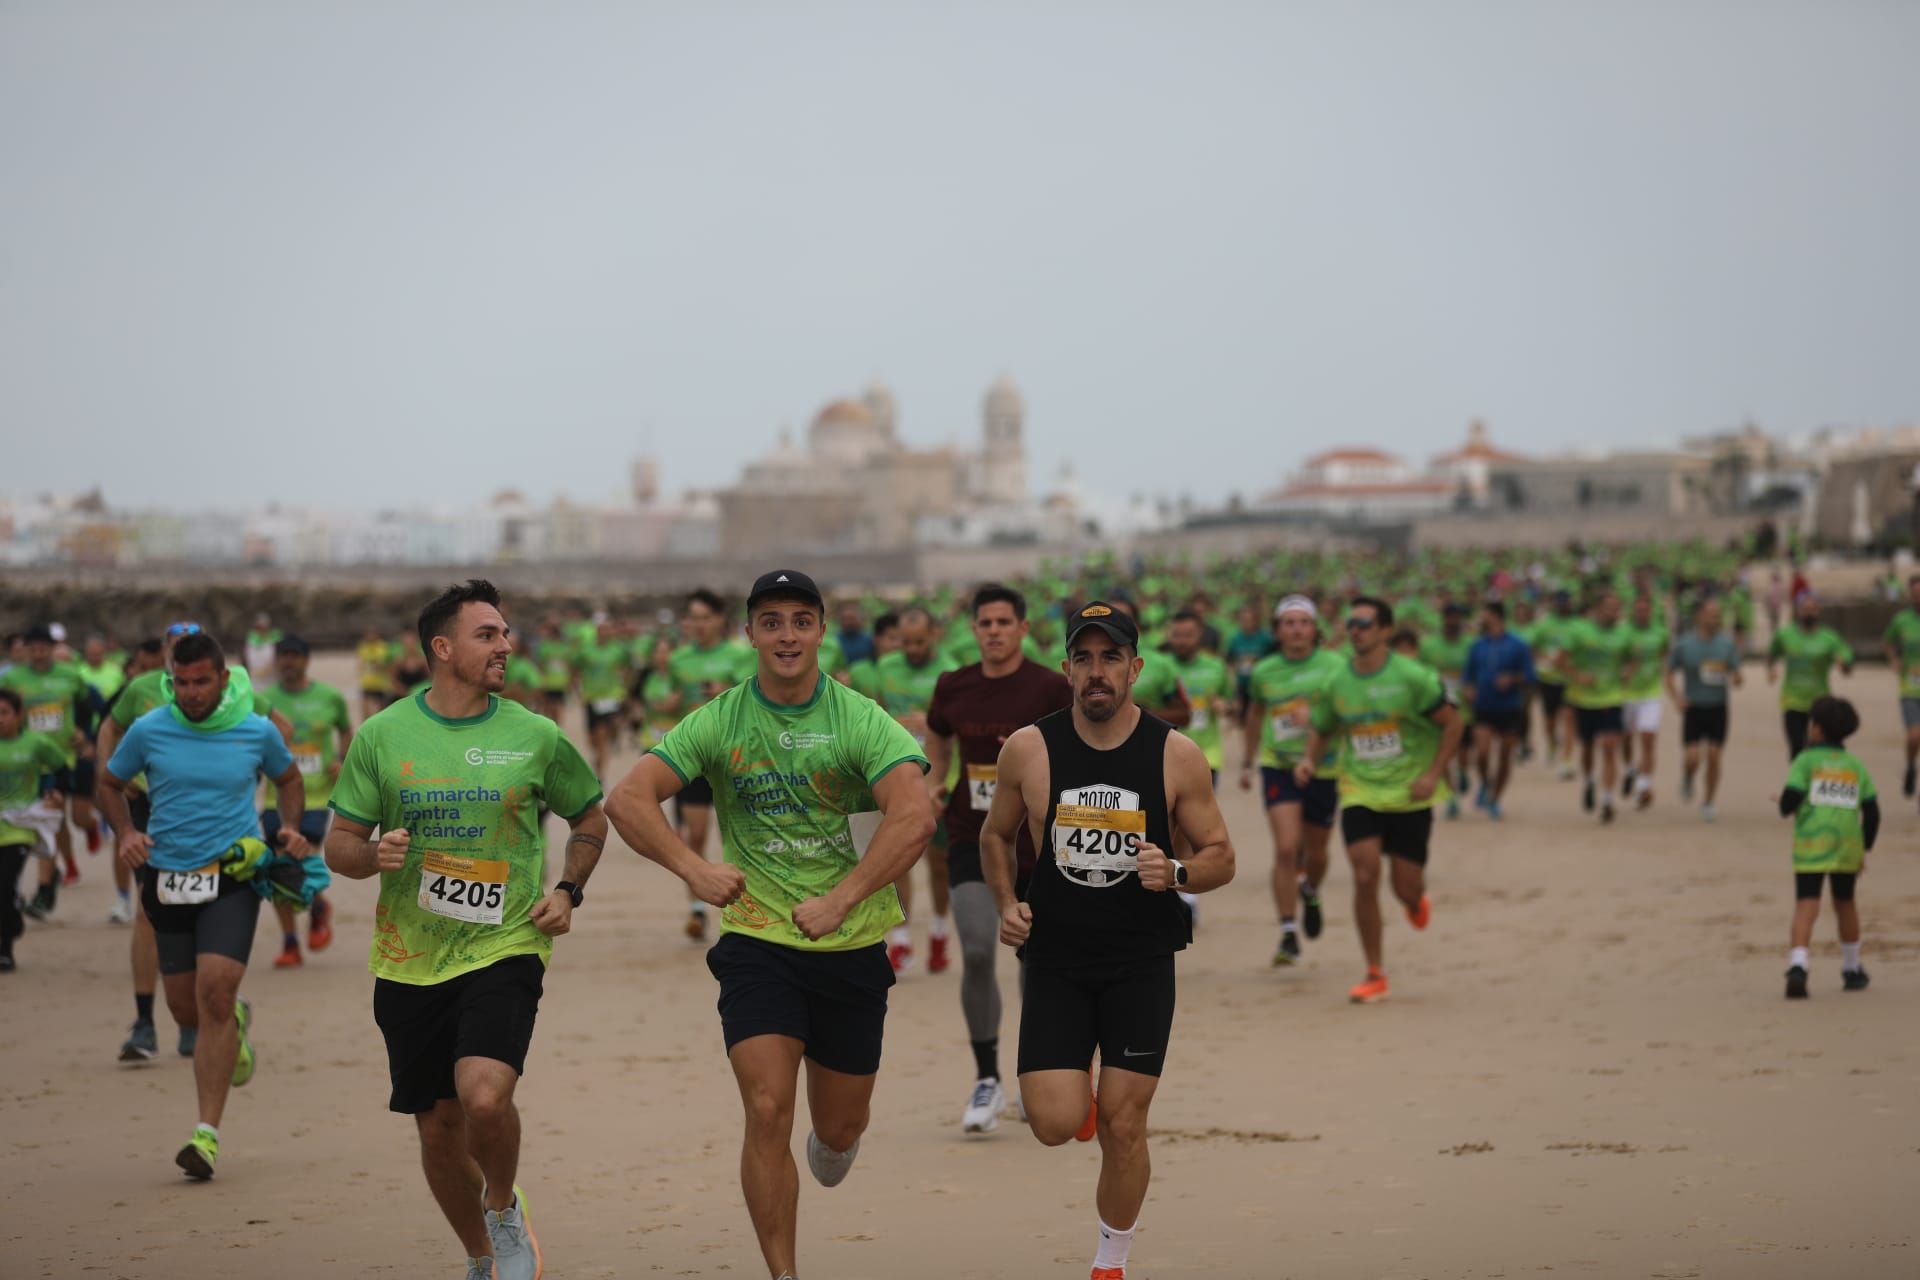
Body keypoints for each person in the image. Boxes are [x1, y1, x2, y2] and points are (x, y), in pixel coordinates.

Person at [605, 568, 933, 1280]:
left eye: (800, 621)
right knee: (765, 1106)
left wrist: (842, 900)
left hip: (849, 943)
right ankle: (783, 1273)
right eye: (771, 621)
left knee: (838, 1129)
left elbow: (915, 815)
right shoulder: (721, 719)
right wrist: (695, 872)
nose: (786, 635)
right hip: (757, 941)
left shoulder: (859, 718)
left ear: (820, 630)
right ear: (749, 633)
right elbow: (628, 799)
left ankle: (837, 1142)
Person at [325, 579, 608, 1280]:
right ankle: (481, 1257)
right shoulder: (383, 736)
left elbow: (591, 820)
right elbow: (339, 845)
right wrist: (371, 855)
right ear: (442, 649)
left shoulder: (536, 735)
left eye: (506, 633)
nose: (505, 646)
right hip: (408, 957)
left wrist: (569, 890)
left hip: (504, 943)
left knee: (485, 1096)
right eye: (488, 635)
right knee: (439, 1126)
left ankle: (505, 1209)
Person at [979, 599, 1235, 1280]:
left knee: (1124, 1124)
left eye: (1111, 658)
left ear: (1135, 667)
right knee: (1053, 1123)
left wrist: (1177, 870)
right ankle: (1076, 1090)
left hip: (1140, 961)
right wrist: (1007, 903)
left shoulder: (1175, 754)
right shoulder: (1028, 749)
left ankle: (1110, 1261)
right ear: (1065, 668)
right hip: (1057, 961)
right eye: (1085, 658)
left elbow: (1221, 857)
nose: (1097, 672)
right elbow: (995, 835)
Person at [96, 631, 308, 1180]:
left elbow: (288, 777)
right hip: (167, 877)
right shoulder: (149, 729)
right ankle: (231, 1020)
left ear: (222, 678)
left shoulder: (254, 729)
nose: (190, 693)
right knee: (186, 1011)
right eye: (181, 683)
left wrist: (286, 827)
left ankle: (205, 1135)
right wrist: (124, 833)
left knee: (214, 990)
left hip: (230, 876)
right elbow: (110, 782)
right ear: (171, 679)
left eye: (201, 682)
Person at [925, 584, 1072, 1135]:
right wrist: (937, 780)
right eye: (984, 622)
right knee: (981, 950)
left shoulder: (1050, 687)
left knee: (1037, 963)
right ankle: (987, 1078)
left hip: (1039, 845)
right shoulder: (953, 686)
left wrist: (1036, 753)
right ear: (974, 629)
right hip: (973, 835)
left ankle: (1035, 1077)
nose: (993, 631)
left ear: (1023, 628)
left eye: (1003, 622)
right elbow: (938, 735)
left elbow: (1082, 739)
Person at [1296, 596, 1462, 1004]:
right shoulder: (1338, 682)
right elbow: (1323, 726)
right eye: (1351, 623)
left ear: (1386, 630)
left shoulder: (1413, 677)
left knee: (1405, 886)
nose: (1355, 630)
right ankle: (1375, 971)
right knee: (1365, 874)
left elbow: (1453, 722)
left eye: (1365, 624)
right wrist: (1309, 761)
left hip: (1409, 794)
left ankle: (1413, 899)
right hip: (1360, 789)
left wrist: (1433, 773)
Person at [1241, 596, 1343, 964]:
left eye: (1303, 622)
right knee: (1286, 848)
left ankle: (1310, 889)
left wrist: (1315, 718)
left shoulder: (1335, 665)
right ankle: (1287, 931)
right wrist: (1247, 762)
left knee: (1316, 853)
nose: (1296, 629)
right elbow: (1255, 714)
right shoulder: (1264, 671)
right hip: (1278, 765)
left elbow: (1348, 712)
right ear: (1278, 630)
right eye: (1289, 622)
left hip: (1325, 768)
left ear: (1315, 629)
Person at [871, 607, 959, 973]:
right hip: (895, 779)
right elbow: (874, 714)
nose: (912, 649)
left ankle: (938, 932)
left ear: (934, 635)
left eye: (919, 642)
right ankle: (902, 941)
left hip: (938, 782)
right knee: (897, 863)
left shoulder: (951, 671)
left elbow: (957, 733)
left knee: (939, 867)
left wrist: (931, 723)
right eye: (906, 642)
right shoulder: (887, 667)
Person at [667, 588, 756, 941]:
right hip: (694, 760)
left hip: (735, 759)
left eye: (706, 617)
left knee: (736, 837)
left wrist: (729, 689)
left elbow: (756, 700)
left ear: (720, 619)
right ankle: (697, 908)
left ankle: (745, 907)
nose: (699, 625)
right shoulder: (679, 660)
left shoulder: (741, 656)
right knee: (696, 835)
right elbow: (675, 708)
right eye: (693, 618)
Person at [256, 635, 350, 969]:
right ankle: (292, 939)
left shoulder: (329, 697)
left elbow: (346, 729)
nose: (288, 662)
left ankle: (316, 907)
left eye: (295, 656)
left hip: (316, 795)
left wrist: (343, 759)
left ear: (306, 660)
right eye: (283, 656)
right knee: (277, 868)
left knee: (293, 860)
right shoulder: (264, 700)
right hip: (274, 796)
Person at [1777, 696, 1879, 999]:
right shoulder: (1855, 766)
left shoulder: (1805, 761)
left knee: (1807, 905)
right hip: (1847, 845)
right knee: (1845, 903)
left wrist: (1784, 804)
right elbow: (1873, 811)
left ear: (1817, 729)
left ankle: (1798, 965)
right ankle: (1851, 968)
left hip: (1812, 845)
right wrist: (1864, 848)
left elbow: (1790, 800)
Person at [3, 623, 104, 905]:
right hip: (32, 762)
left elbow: (91, 708)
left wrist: (87, 737)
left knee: (76, 818)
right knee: (48, 819)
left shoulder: (70, 675)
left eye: (42, 648)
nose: (37, 654)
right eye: (32, 649)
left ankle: (87, 832)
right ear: (24, 650)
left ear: (52, 649)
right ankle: (46, 886)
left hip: (67, 758)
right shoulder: (13, 679)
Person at [0, 688, 72, 971]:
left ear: (19, 715)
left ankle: (5, 947)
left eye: (4, 713)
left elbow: (62, 769)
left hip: (21, 824)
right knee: (3, 892)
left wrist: (55, 793)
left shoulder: (36, 742)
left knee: (3, 884)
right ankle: (12, 915)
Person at [1560, 591, 1634, 824]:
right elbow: (1561, 659)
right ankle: (1590, 781)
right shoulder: (1579, 631)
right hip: (1584, 699)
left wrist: (1627, 672)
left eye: (1617, 608)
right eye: (1610, 608)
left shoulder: (1624, 632)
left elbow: (1633, 658)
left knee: (1610, 747)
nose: (1615, 612)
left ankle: (1608, 800)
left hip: (1612, 698)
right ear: (1598, 609)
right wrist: (1577, 675)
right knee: (1588, 748)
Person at [1667, 597, 1742, 822]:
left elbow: (1736, 673)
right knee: (1692, 757)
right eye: (1711, 614)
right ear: (1699, 616)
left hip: (1718, 706)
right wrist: (1676, 698)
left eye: (1718, 615)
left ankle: (1709, 801)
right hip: (1694, 707)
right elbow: (1668, 672)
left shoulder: (1726, 645)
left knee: (1714, 755)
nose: (1715, 619)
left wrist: (1737, 678)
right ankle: (1688, 777)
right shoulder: (1685, 644)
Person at [1460, 600, 1534, 821]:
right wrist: (1469, 690)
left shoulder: (1518, 645)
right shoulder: (1477, 646)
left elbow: (1529, 675)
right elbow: (1467, 675)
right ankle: (1485, 783)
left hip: (1509, 707)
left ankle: (1495, 799)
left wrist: (1511, 679)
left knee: (1504, 756)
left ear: (1495, 616)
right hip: (1483, 706)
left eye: (1484, 614)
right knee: (1481, 753)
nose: (1481, 619)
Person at [1767, 593, 1854, 761]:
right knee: (1797, 748)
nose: (1809, 613)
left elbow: (1847, 662)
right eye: (1805, 609)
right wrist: (1771, 669)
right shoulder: (1786, 635)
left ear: (1818, 611)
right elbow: (1773, 652)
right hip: (1792, 701)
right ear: (1798, 611)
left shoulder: (1829, 638)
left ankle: (1815, 783)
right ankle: (1799, 783)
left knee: (1819, 750)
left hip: (1820, 704)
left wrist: (1844, 664)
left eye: (1812, 609)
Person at [1619, 593, 1671, 810]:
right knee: (1626, 740)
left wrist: (1671, 688)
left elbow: (1664, 658)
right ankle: (1631, 769)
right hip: (1625, 694)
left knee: (1648, 739)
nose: (1642, 614)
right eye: (1638, 610)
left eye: (1645, 610)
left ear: (1651, 612)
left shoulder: (1660, 632)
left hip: (1650, 694)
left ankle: (1644, 786)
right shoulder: (1624, 633)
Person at [572, 619, 632, 780]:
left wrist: (623, 687)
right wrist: (578, 690)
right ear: (597, 631)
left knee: (603, 734)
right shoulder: (586, 650)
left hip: (611, 697)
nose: (605, 633)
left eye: (608, 629)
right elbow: (575, 669)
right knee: (593, 739)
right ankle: (599, 754)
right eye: (602, 629)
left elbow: (628, 667)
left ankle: (600, 774)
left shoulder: (618, 650)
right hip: (592, 698)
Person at [1881, 573, 1920, 800]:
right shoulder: (1902, 620)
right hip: (1910, 688)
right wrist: (1894, 659)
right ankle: (1910, 767)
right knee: (1915, 736)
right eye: (1915, 593)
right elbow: (1887, 641)